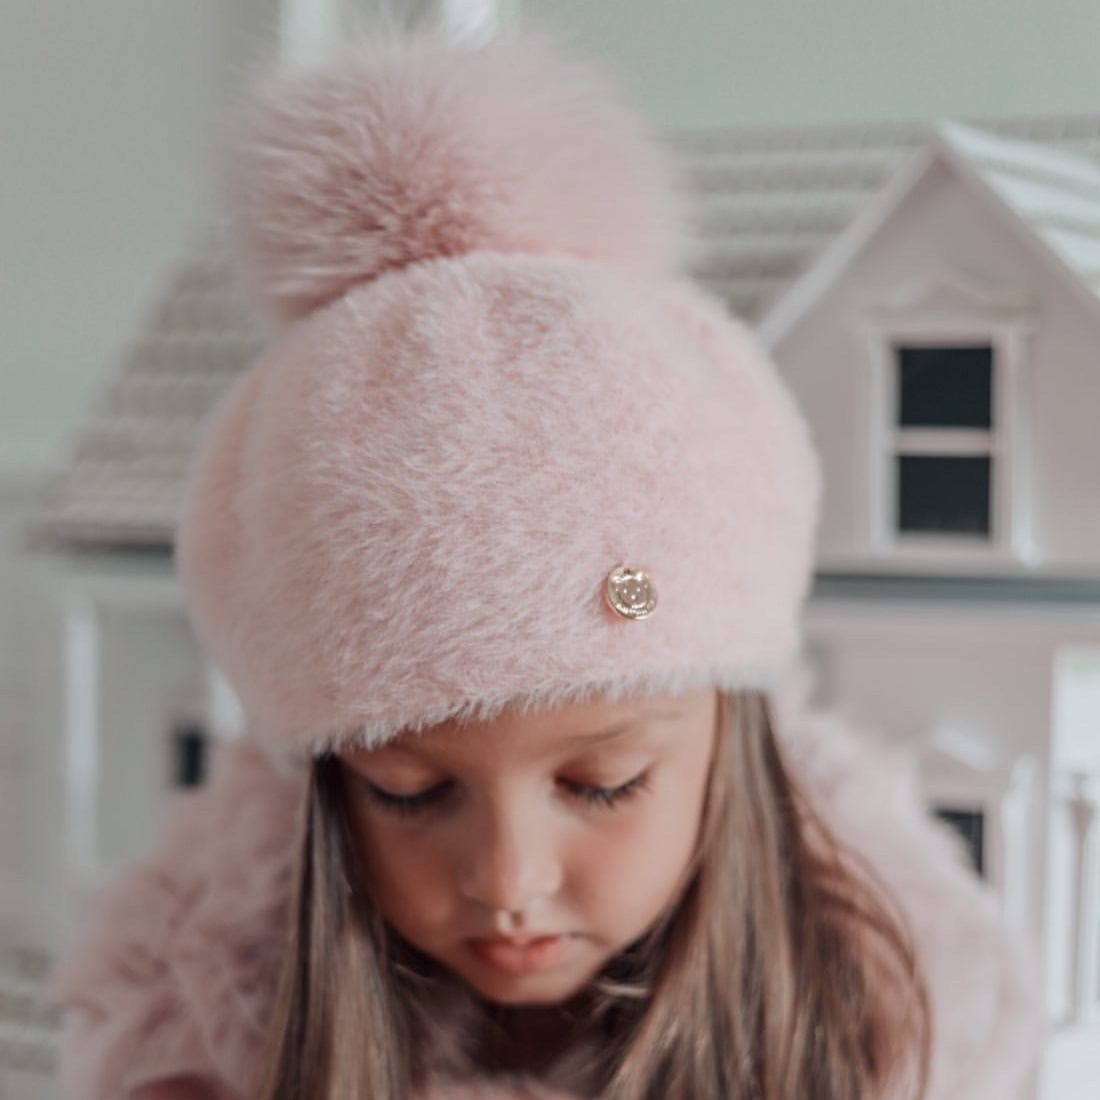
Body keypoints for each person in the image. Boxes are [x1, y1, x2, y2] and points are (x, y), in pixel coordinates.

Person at [47, 26, 1042, 1100]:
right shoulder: (193, 1059)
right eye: (410, 790)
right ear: (330, 779)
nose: (507, 881)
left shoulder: (899, 1050)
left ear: (726, 737)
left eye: (602, 782)